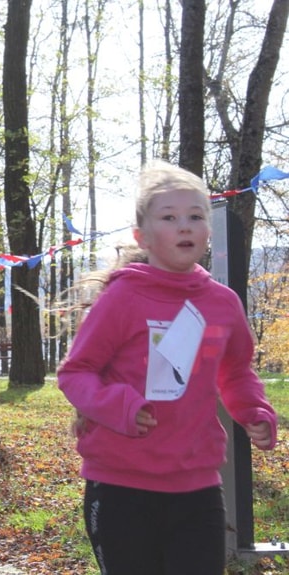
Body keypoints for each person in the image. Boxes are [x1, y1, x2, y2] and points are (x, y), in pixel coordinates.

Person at [57, 160, 277, 575]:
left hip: (197, 486)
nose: (185, 226)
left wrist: (254, 411)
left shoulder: (222, 303)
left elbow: (237, 371)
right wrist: (118, 405)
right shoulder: (123, 298)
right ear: (144, 236)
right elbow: (76, 372)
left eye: (196, 216)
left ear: (208, 232)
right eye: (170, 217)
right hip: (121, 486)